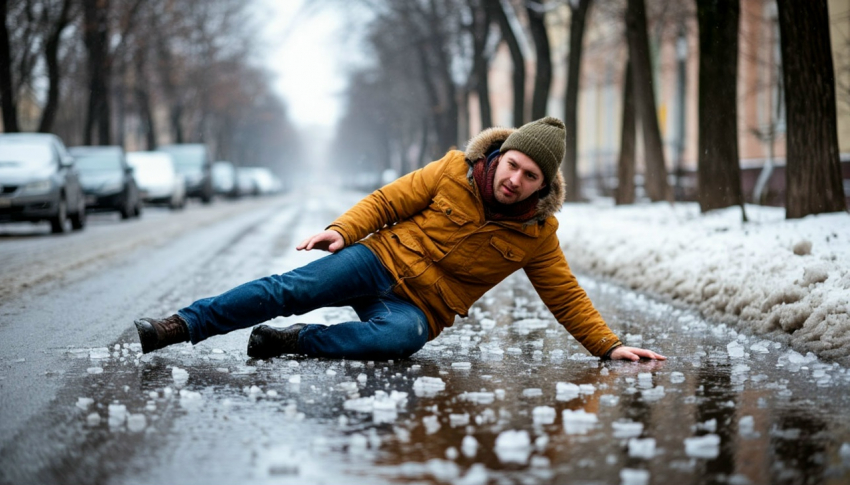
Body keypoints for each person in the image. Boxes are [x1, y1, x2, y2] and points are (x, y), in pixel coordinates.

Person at [134, 117, 666, 362]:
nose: (515, 180)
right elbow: (388, 201)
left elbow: (566, 296)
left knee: (396, 341)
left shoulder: (538, 235)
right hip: (377, 261)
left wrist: (609, 345)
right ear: (501, 154)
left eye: (531, 176)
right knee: (289, 289)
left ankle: (292, 341)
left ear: (542, 186)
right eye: (513, 165)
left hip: (419, 309)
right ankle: (180, 325)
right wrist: (342, 230)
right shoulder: (453, 170)